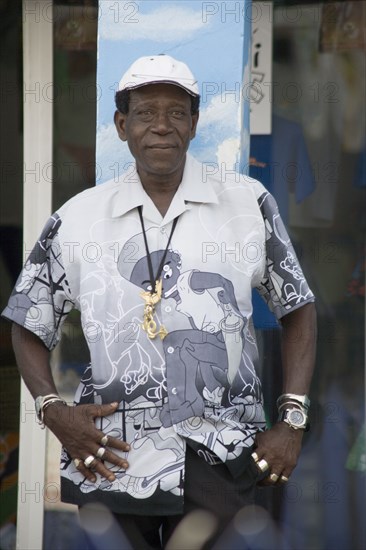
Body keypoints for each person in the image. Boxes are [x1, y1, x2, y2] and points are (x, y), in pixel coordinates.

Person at [3, 54, 317, 549]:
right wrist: (52, 409)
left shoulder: (248, 203)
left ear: (194, 124)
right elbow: (27, 321)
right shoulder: (77, 218)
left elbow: (298, 308)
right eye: (145, 113)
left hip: (224, 452)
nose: (161, 126)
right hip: (112, 457)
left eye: (176, 112)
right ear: (122, 126)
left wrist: (292, 419)